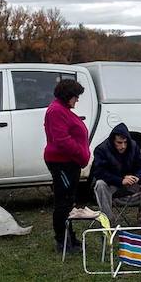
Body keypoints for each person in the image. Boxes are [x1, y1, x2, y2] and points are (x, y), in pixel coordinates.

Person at [43, 78, 90, 255]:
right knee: (63, 202)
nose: (77, 100)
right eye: (76, 96)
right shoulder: (56, 111)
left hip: (70, 163)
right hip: (62, 162)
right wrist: (81, 153)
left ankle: (70, 237)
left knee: (69, 201)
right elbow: (62, 140)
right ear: (67, 96)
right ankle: (62, 241)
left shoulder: (63, 109)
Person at [91, 123, 141, 227]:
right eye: (119, 142)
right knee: (100, 184)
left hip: (131, 183)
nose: (123, 146)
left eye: (125, 142)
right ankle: (108, 222)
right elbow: (99, 172)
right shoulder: (101, 149)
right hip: (113, 185)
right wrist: (120, 180)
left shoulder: (133, 146)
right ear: (113, 140)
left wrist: (137, 177)